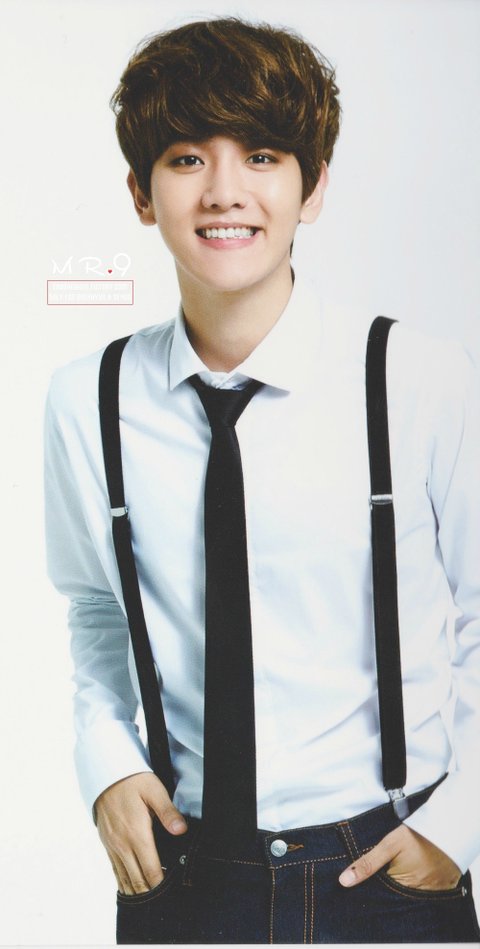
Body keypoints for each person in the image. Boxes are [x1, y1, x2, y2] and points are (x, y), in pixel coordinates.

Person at [44, 16, 480, 944]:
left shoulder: (418, 379)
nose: (225, 191)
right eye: (186, 159)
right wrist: (106, 761)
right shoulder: (88, 399)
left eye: (263, 156)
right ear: (140, 193)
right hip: (184, 873)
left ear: (313, 186)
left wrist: (457, 824)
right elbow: (95, 606)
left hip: (387, 870)